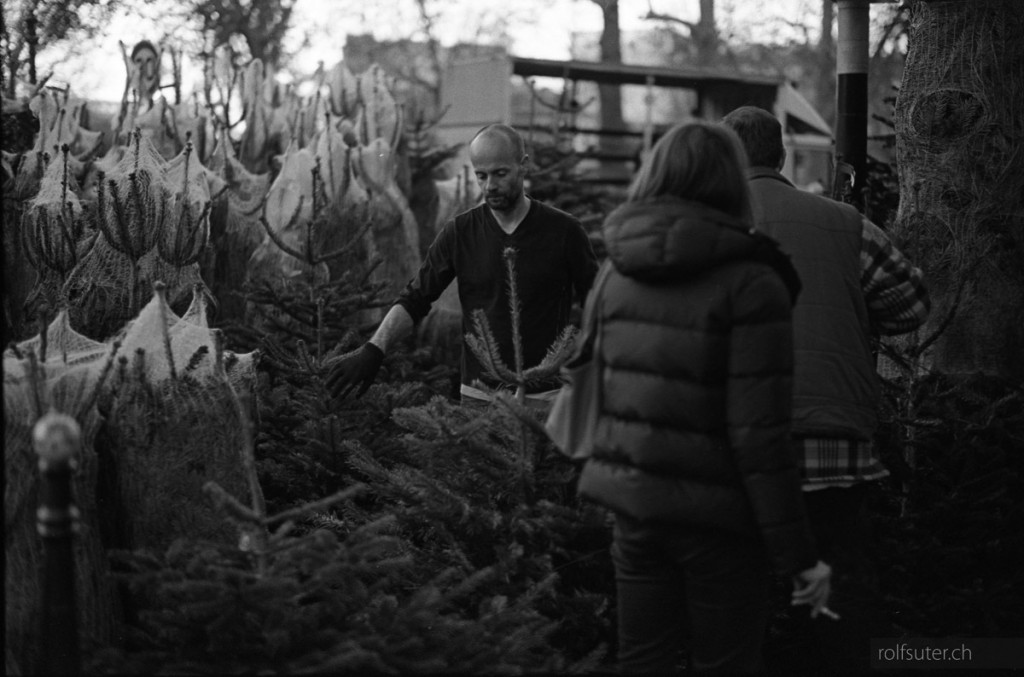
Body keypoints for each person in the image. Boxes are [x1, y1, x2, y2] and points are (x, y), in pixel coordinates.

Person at [575, 121, 831, 674]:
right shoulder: (752, 281)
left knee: (642, 661)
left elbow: (590, 381)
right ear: (730, 181)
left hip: (635, 510)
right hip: (722, 524)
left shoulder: (616, 272)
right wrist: (800, 557)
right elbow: (758, 433)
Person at [722, 105, 930, 672]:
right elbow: (911, 305)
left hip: (735, 444)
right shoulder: (844, 222)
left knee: (733, 590)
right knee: (837, 585)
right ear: (782, 156)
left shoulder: (702, 227)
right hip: (834, 442)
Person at [327, 124, 598, 404]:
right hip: (479, 398)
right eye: (481, 176)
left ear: (523, 166)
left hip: (547, 398)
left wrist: (593, 364)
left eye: (500, 174)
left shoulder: (564, 232)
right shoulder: (460, 232)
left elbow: (599, 303)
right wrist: (374, 349)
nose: (489, 185)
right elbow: (416, 297)